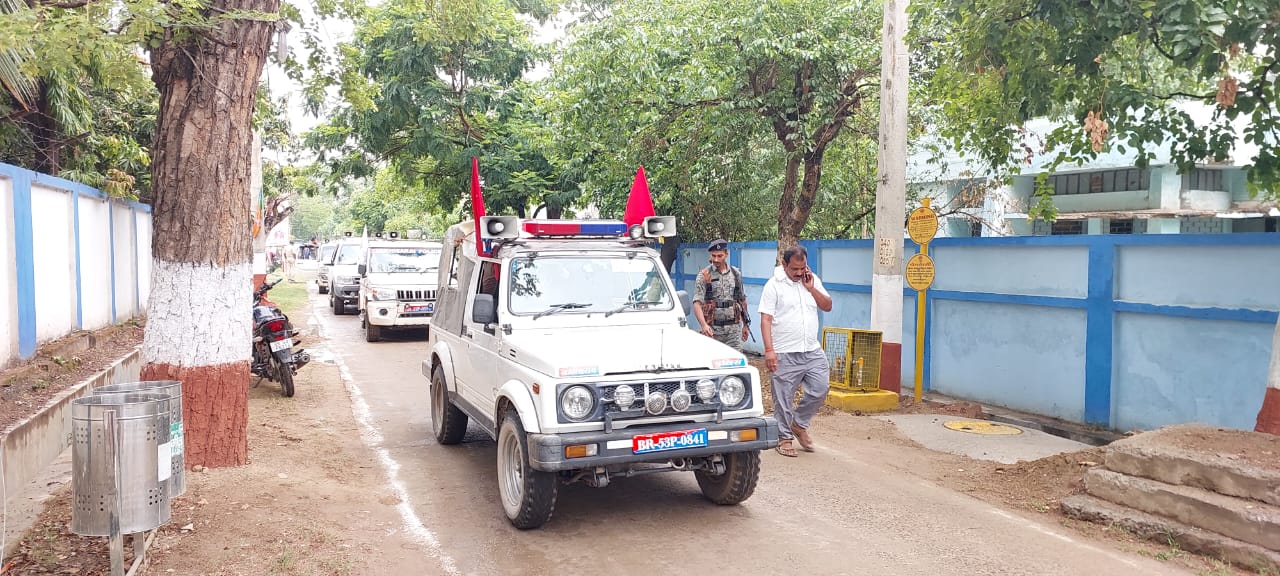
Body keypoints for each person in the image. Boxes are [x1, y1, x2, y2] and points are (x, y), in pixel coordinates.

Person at [758, 244, 832, 457]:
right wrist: (769, 350)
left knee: (821, 387)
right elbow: (766, 319)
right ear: (784, 265)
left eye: (802, 268)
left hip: (811, 350)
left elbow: (827, 306)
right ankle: (784, 438)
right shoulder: (773, 286)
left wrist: (811, 288)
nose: (799, 273)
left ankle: (798, 423)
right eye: (795, 269)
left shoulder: (812, 280)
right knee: (783, 399)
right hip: (784, 352)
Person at [692, 239, 750, 352]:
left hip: (733, 331)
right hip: (712, 331)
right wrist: (703, 325)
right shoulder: (704, 275)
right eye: (713, 256)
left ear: (726, 254)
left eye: (720, 256)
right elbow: (697, 303)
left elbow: (742, 300)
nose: (716, 259)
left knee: (735, 363)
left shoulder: (735, 274)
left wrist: (746, 325)